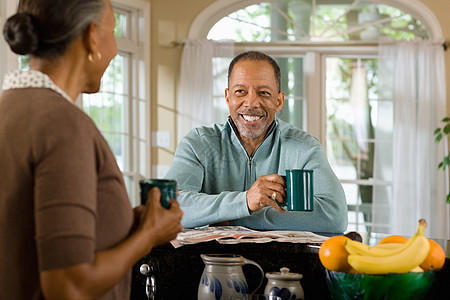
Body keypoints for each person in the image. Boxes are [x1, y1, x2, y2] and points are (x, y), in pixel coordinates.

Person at [0, 0, 183, 299]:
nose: (113, 48)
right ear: (92, 36)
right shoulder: (62, 124)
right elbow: (68, 286)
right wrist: (149, 236)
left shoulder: (10, 108)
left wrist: (133, 222)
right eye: (113, 30)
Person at [165, 51, 347, 233]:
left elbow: (334, 216)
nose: (251, 102)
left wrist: (239, 217)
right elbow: (168, 208)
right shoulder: (197, 143)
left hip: (284, 260)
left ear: (279, 101)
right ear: (228, 97)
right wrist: (244, 201)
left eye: (264, 93)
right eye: (240, 92)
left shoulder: (305, 148)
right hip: (209, 260)